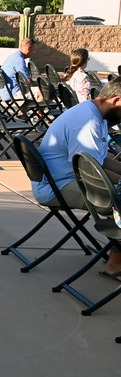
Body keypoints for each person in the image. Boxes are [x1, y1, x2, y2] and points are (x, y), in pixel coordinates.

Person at [33, 76, 121, 278]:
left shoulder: (93, 115)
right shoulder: (88, 122)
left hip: (64, 180)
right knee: (117, 200)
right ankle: (116, 263)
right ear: (116, 100)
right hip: (58, 186)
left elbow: (100, 161)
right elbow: (90, 172)